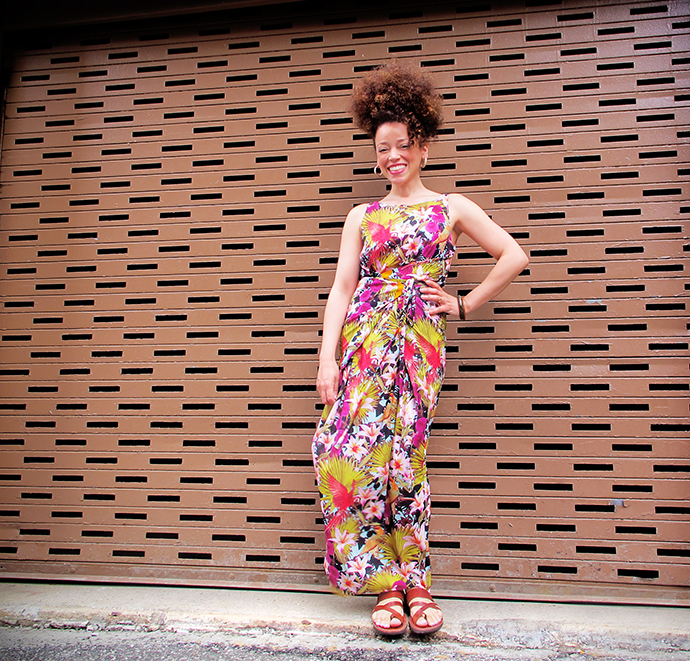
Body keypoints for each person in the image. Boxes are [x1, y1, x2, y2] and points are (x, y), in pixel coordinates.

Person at [311, 62, 529, 637]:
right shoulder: (362, 216)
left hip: (418, 345)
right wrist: (327, 358)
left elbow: (513, 255)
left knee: (405, 458)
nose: (393, 156)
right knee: (345, 454)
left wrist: (463, 304)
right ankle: (383, 579)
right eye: (383, 148)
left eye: (403, 145)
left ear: (423, 146)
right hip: (363, 343)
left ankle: (414, 581)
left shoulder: (451, 207)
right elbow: (341, 289)